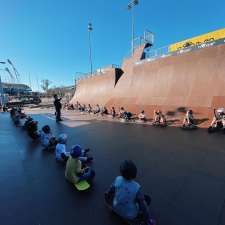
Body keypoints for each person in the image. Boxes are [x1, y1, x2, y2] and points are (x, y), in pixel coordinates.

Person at [105, 160, 152, 224]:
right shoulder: (136, 187)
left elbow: (109, 191)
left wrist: (109, 204)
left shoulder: (118, 179)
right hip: (129, 215)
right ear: (134, 173)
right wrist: (147, 219)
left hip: (116, 208)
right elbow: (144, 207)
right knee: (147, 199)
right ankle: (139, 219)